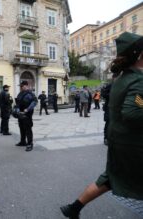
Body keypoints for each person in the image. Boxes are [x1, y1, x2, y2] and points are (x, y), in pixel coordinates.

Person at [60, 32, 143, 218]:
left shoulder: (121, 79)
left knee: (108, 179)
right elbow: (133, 111)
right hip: (134, 147)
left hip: (118, 141)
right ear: (139, 54)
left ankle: (73, 208)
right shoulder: (138, 81)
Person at [15, 81, 38, 152]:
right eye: (20, 86)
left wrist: (28, 109)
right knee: (21, 128)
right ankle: (23, 141)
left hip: (27, 114)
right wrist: (16, 109)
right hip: (20, 114)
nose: (21, 87)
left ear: (26, 86)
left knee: (28, 129)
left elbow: (34, 102)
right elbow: (17, 103)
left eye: (22, 86)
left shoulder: (30, 93)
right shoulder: (20, 93)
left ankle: (30, 144)